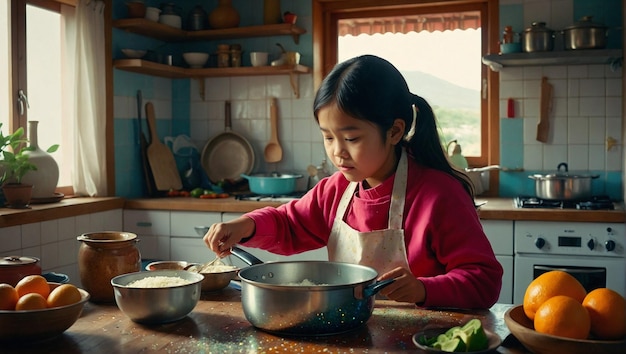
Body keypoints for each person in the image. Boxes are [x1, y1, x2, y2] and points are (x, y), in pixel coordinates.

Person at [204, 55, 503, 309]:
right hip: (354, 332)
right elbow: (290, 224)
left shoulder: (439, 196)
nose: (337, 151)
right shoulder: (336, 190)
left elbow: (484, 280)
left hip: (424, 338)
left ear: (394, 132)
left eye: (351, 138)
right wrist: (247, 226)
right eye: (328, 137)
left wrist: (424, 289)